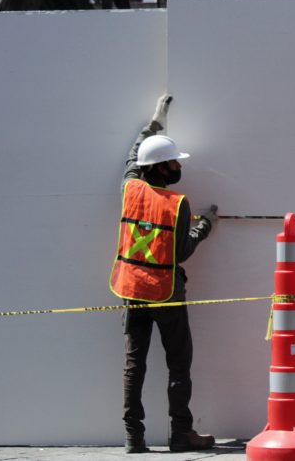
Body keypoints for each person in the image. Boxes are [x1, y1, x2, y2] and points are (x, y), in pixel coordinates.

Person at [109, 95, 219, 454]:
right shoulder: (177, 205)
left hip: (131, 290)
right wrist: (204, 225)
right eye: (171, 161)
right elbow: (183, 250)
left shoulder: (129, 189)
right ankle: (181, 433)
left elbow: (132, 156)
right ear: (159, 168)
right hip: (166, 293)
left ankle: (133, 437)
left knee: (133, 364)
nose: (176, 165)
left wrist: (154, 123)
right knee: (178, 365)